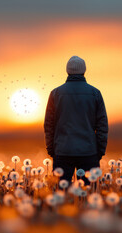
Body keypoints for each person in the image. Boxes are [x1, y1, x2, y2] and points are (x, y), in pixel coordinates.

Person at [44, 56, 108, 184]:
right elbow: (102, 126)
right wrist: (99, 151)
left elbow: (49, 125)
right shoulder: (95, 93)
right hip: (88, 152)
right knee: (89, 195)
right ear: (84, 70)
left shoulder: (55, 94)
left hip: (62, 151)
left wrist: (52, 150)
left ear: (67, 71)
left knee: (61, 196)